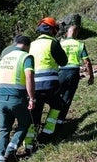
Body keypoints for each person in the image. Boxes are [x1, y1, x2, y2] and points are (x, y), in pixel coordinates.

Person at [24, 17, 68, 152]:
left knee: (35, 114)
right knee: (58, 105)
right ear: (53, 30)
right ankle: (47, 134)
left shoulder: (31, 45)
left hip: (33, 86)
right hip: (49, 85)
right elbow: (63, 62)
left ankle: (29, 145)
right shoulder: (53, 43)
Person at [0, 35, 35, 162]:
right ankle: (11, 150)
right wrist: (31, 97)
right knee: (25, 123)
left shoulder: (5, 57)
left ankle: (0, 160)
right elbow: (29, 76)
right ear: (27, 46)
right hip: (17, 97)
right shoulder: (26, 57)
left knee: (4, 129)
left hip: (1, 96)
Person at [58, 25, 94, 124]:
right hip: (73, 72)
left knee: (57, 96)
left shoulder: (60, 44)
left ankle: (51, 119)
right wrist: (91, 76)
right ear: (76, 33)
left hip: (60, 71)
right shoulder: (80, 44)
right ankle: (60, 121)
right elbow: (87, 62)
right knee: (67, 97)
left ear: (66, 33)